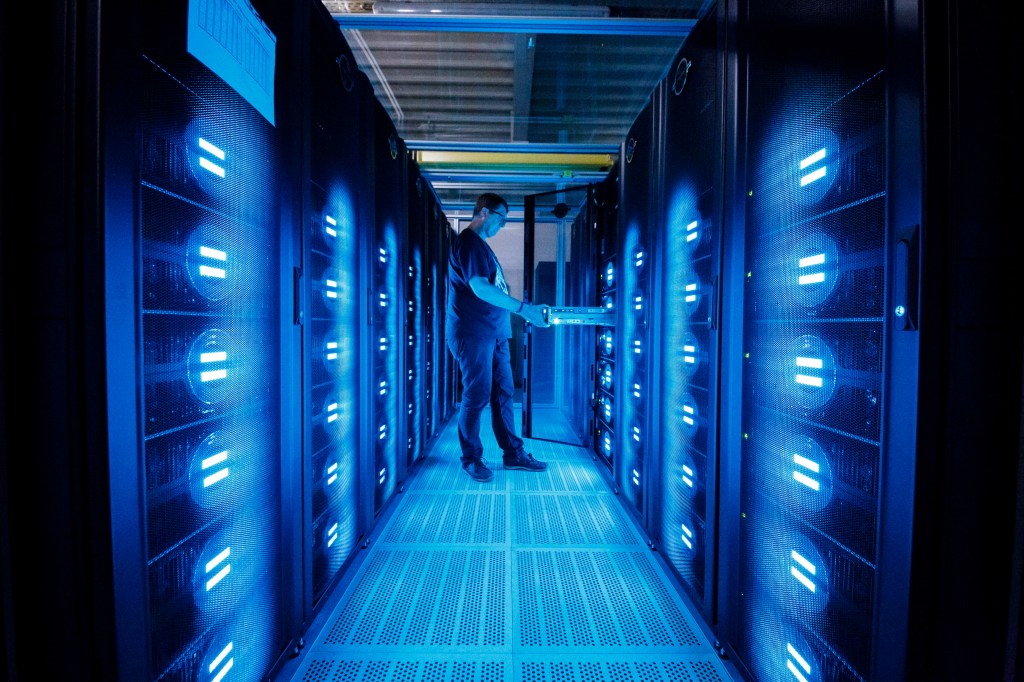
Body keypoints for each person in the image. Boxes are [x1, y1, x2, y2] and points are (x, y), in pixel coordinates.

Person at [446, 192, 551, 482]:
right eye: (502, 219)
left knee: (504, 394)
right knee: (477, 395)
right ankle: (471, 458)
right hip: (473, 333)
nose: (503, 226)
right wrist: (524, 309)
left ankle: (513, 454)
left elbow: (493, 290)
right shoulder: (468, 242)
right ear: (485, 212)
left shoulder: (482, 248)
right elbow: (480, 288)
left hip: (494, 334)